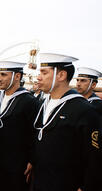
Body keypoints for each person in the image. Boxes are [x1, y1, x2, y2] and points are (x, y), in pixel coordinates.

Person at [33, 53, 101, 191]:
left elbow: (95, 157)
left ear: (61, 75)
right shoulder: (44, 103)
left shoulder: (83, 109)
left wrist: (86, 186)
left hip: (66, 183)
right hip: (41, 180)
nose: (38, 77)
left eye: (44, 72)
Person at [0, 61, 39, 191]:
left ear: (17, 76)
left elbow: (35, 134)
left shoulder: (29, 101)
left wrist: (32, 160)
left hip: (19, 163)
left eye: (4, 74)